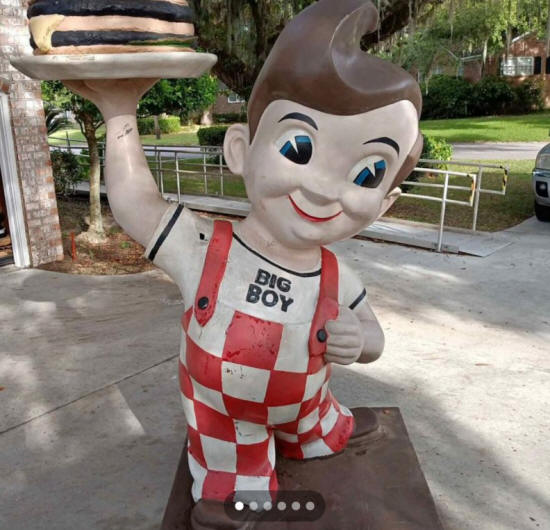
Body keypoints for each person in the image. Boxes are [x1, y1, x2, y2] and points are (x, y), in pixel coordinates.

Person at [64, 0, 423, 514]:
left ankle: (317, 431)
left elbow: (374, 335)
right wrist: (119, 112)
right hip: (226, 413)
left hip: (308, 401)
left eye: (367, 174)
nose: (324, 189)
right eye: (298, 148)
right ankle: (236, 477)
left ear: (384, 203)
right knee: (235, 462)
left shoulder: (335, 273)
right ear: (241, 149)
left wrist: (361, 339)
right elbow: (136, 205)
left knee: (317, 422)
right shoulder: (204, 246)